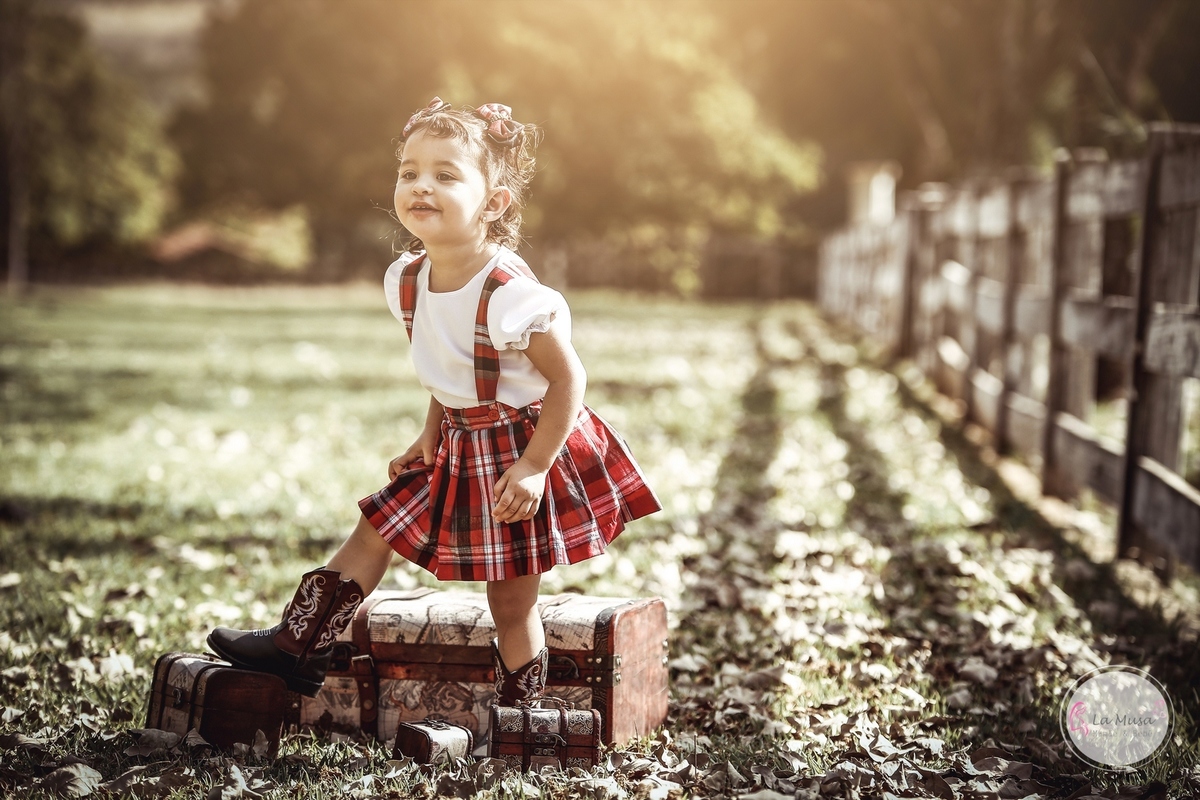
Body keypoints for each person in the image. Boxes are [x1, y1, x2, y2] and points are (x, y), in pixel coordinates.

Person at [207, 98, 661, 708]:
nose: (422, 185)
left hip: (521, 445)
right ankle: (300, 646)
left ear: (493, 203)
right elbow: (449, 370)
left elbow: (568, 381)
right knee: (377, 525)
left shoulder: (510, 294)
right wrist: (430, 433)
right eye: (409, 172)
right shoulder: (408, 280)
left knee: (510, 599)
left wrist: (534, 466)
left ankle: (522, 710)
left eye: (446, 175)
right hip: (457, 437)